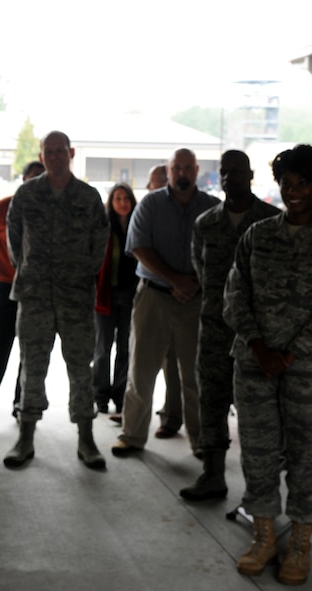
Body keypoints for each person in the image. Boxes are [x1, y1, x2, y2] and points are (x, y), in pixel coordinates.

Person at [224, 144, 312, 585]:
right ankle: (263, 537)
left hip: (310, 373)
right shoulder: (258, 235)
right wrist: (260, 347)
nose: (293, 191)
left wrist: (291, 352)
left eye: (303, 183)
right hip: (256, 366)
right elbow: (235, 295)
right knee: (258, 454)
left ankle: (300, 544)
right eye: (286, 183)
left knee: (307, 457)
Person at [4, 131, 110, 470]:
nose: (54, 156)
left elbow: (100, 244)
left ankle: (86, 438)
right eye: (48, 151)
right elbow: (14, 240)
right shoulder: (26, 195)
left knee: (80, 369)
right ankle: (25, 437)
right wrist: (32, 270)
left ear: (71, 152)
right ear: (42, 155)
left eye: (60, 150)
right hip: (35, 297)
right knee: (32, 368)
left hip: (75, 299)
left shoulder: (88, 197)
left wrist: (77, 274)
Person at [178, 150, 280, 502]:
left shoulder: (271, 221)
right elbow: (201, 270)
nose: (229, 177)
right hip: (215, 328)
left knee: (257, 408)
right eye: (224, 171)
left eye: (237, 171)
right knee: (211, 401)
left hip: (258, 335)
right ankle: (213, 475)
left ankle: (259, 489)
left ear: (250, 175)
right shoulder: (206, 223)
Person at [111, 148, 219, 458]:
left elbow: (222, 251)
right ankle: (132, 436)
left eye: (187, 168)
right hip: (154, 297)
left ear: (196, 171)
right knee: (141, 372)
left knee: (195, 375)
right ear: (168, 171)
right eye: (176, 168)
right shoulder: (150, 204)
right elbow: (139, 247)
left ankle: (201, 441)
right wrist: (175, 279)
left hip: (196, 300)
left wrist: (193, 282)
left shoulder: (212, 207)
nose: (182, 173)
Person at [0, 160, 45, 420]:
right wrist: (4, 264)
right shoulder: (2, 207)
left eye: (42, 178)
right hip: (4, 287)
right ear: (23, 180)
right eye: (33, 177)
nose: (37, 183)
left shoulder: (51, 212)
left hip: (37, 291)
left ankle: (23, 406)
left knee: (31, 353)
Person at [92, 183, 138, 421]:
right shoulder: (103, 225)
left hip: (131, 296)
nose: (122, 203)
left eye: (126, 198)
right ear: (111, 202)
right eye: (118, 198)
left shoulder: (139, 225)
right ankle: (100, 395)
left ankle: (120, 396)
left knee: (125, 348)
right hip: (105, 295)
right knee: (102, 348)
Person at [147, 163, 184, 439]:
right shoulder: (146, 209)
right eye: (154, 182)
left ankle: (172, 417)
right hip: (149, 294)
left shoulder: (184, 210)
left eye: (163, 180)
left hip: (181, 295)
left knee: (174, 364)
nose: (158, 186)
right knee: (142, 361)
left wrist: (178, 282)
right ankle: (134, 418)